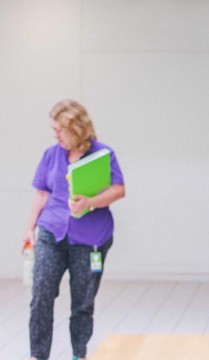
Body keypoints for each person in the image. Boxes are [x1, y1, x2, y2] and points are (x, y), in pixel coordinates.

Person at [22, 99, 125, 360]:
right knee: (41, 295)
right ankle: (38, 355)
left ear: (77, 128)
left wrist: (91, 202)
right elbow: (41, 193)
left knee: (83, 302)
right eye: (53, 129)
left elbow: (118, 189)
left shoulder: (103, 155)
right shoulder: (51, 154)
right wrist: (29, 229)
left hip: (90, 239)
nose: (55, 135)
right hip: (51, 232)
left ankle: (79, 354)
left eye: (60, 129)